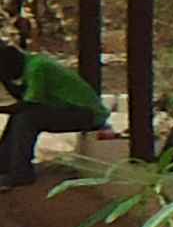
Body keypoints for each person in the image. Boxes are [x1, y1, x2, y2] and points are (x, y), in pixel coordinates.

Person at [0, 35, 108, 189]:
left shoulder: (38, 68)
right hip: (71, 110)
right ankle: (4, 165)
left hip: (88, 115)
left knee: (26, 119)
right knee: (20, 116)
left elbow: (28, 104)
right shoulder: (31, 64)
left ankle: (21, 173)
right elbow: (21, 98)